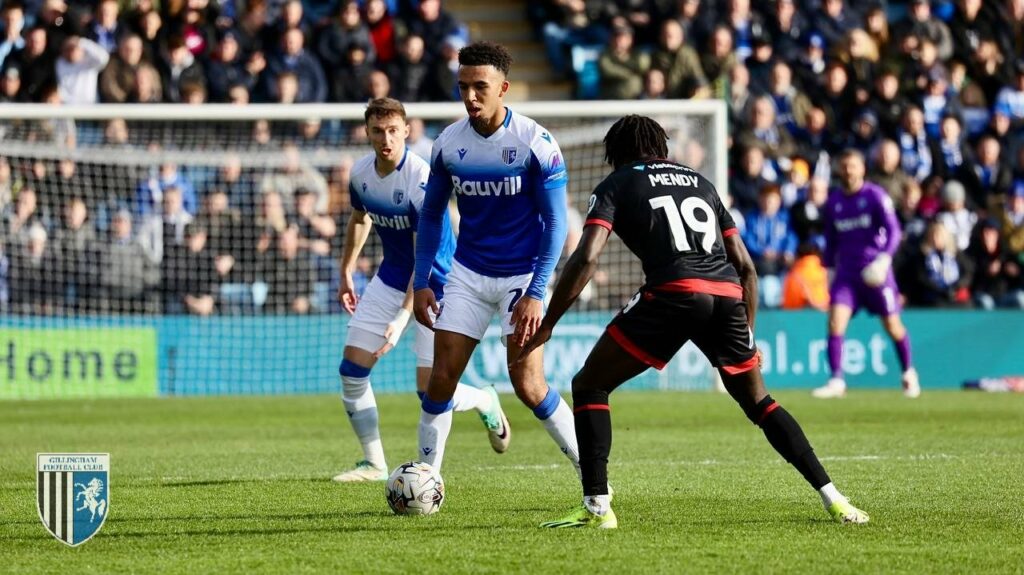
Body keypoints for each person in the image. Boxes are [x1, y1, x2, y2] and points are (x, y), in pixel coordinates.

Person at [516, 115, 868, 528]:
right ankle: (835, 499)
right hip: (726, 295)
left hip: (674, 292)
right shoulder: (701, 183)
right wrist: (749, 335)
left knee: (589, 384)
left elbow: (587, 257)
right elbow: (746, 267)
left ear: (618, 152)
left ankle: (597, 507)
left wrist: (549, 322)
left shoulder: (616, 184)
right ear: (660, 146)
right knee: (760, 403)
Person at [412, 42, 578, 475]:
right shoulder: (448, 143)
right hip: (467, 273)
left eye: (480, 87)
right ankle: (426, 481)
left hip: (522, 276)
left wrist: (537, 292)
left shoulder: (535, 143)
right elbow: (430, 214)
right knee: (439, 381)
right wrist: (422, 280)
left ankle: (593, 475)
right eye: (463, 86)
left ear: (503, 88)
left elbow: (556, 224)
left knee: (528, 385)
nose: (470, 96)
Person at [333, 98, 504, 482]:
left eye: (393, 131)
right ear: (367, 133)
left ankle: (484, 400)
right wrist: (346, 270)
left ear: (406, 131)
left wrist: (400, 318)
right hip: (392, 277)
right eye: (378, 131)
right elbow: (359, 218)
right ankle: (374, 464)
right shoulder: (360, 174)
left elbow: (423, 260)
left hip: (437, 286)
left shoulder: (421, 181)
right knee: (352, 370)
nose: (386, 139)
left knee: (429, 392)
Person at [813, 149, 920, 399]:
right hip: (847, 274)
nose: (848, 171)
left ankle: (908, 372)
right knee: (835, 321)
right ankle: (836, 380)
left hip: (875, 271)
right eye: (845, 166)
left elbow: (894, 231)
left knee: (892, 325)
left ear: (862, 169)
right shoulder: (834, 202)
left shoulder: (875, 196)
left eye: (853, 166)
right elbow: (830, 240)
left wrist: (884, 259)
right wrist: (829, 270)